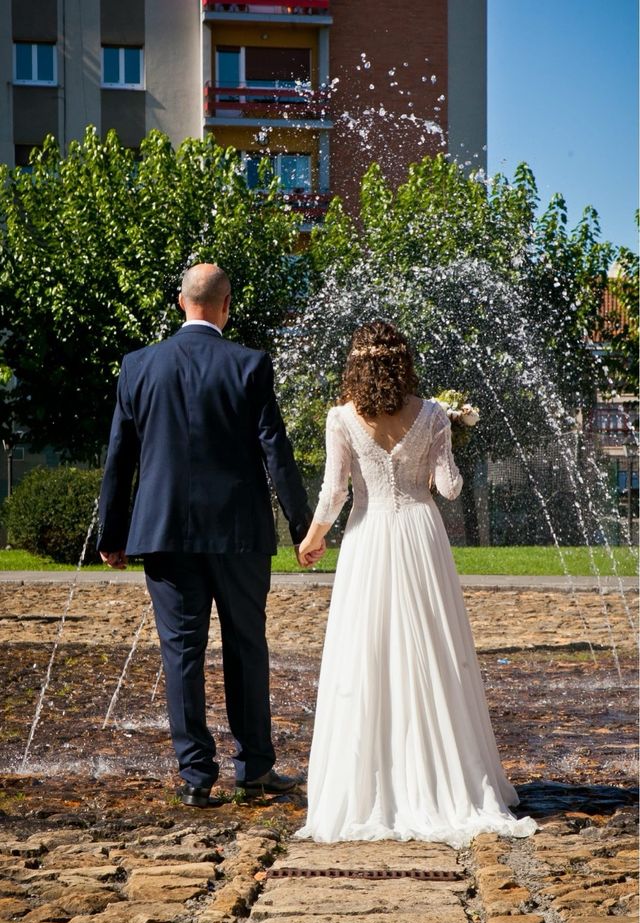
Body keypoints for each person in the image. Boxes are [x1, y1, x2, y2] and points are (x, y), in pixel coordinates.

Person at [296, 321, 537, 846]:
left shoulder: (340, 418)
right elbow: (449, 489)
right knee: (434, 650)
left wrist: (313, 539)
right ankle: (446, 778)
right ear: (404, 361)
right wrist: (446, 441)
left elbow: (334, 494)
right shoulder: (430, 413)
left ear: (356, 364)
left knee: (368, 653)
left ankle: (369, 788)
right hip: (421, 536)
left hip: (368, 538)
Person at [98, 263, 324, 807]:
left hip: (162, 531)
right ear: (226, 306)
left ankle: (196, 778)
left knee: (182, 653)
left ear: (181, 302)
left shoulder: (138, 366)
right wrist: (304, 526)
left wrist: (113, 530)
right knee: (247, 646)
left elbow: (118, 457)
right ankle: (254, 770)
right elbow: (276, 450)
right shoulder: (250, 365)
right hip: (239, 534)